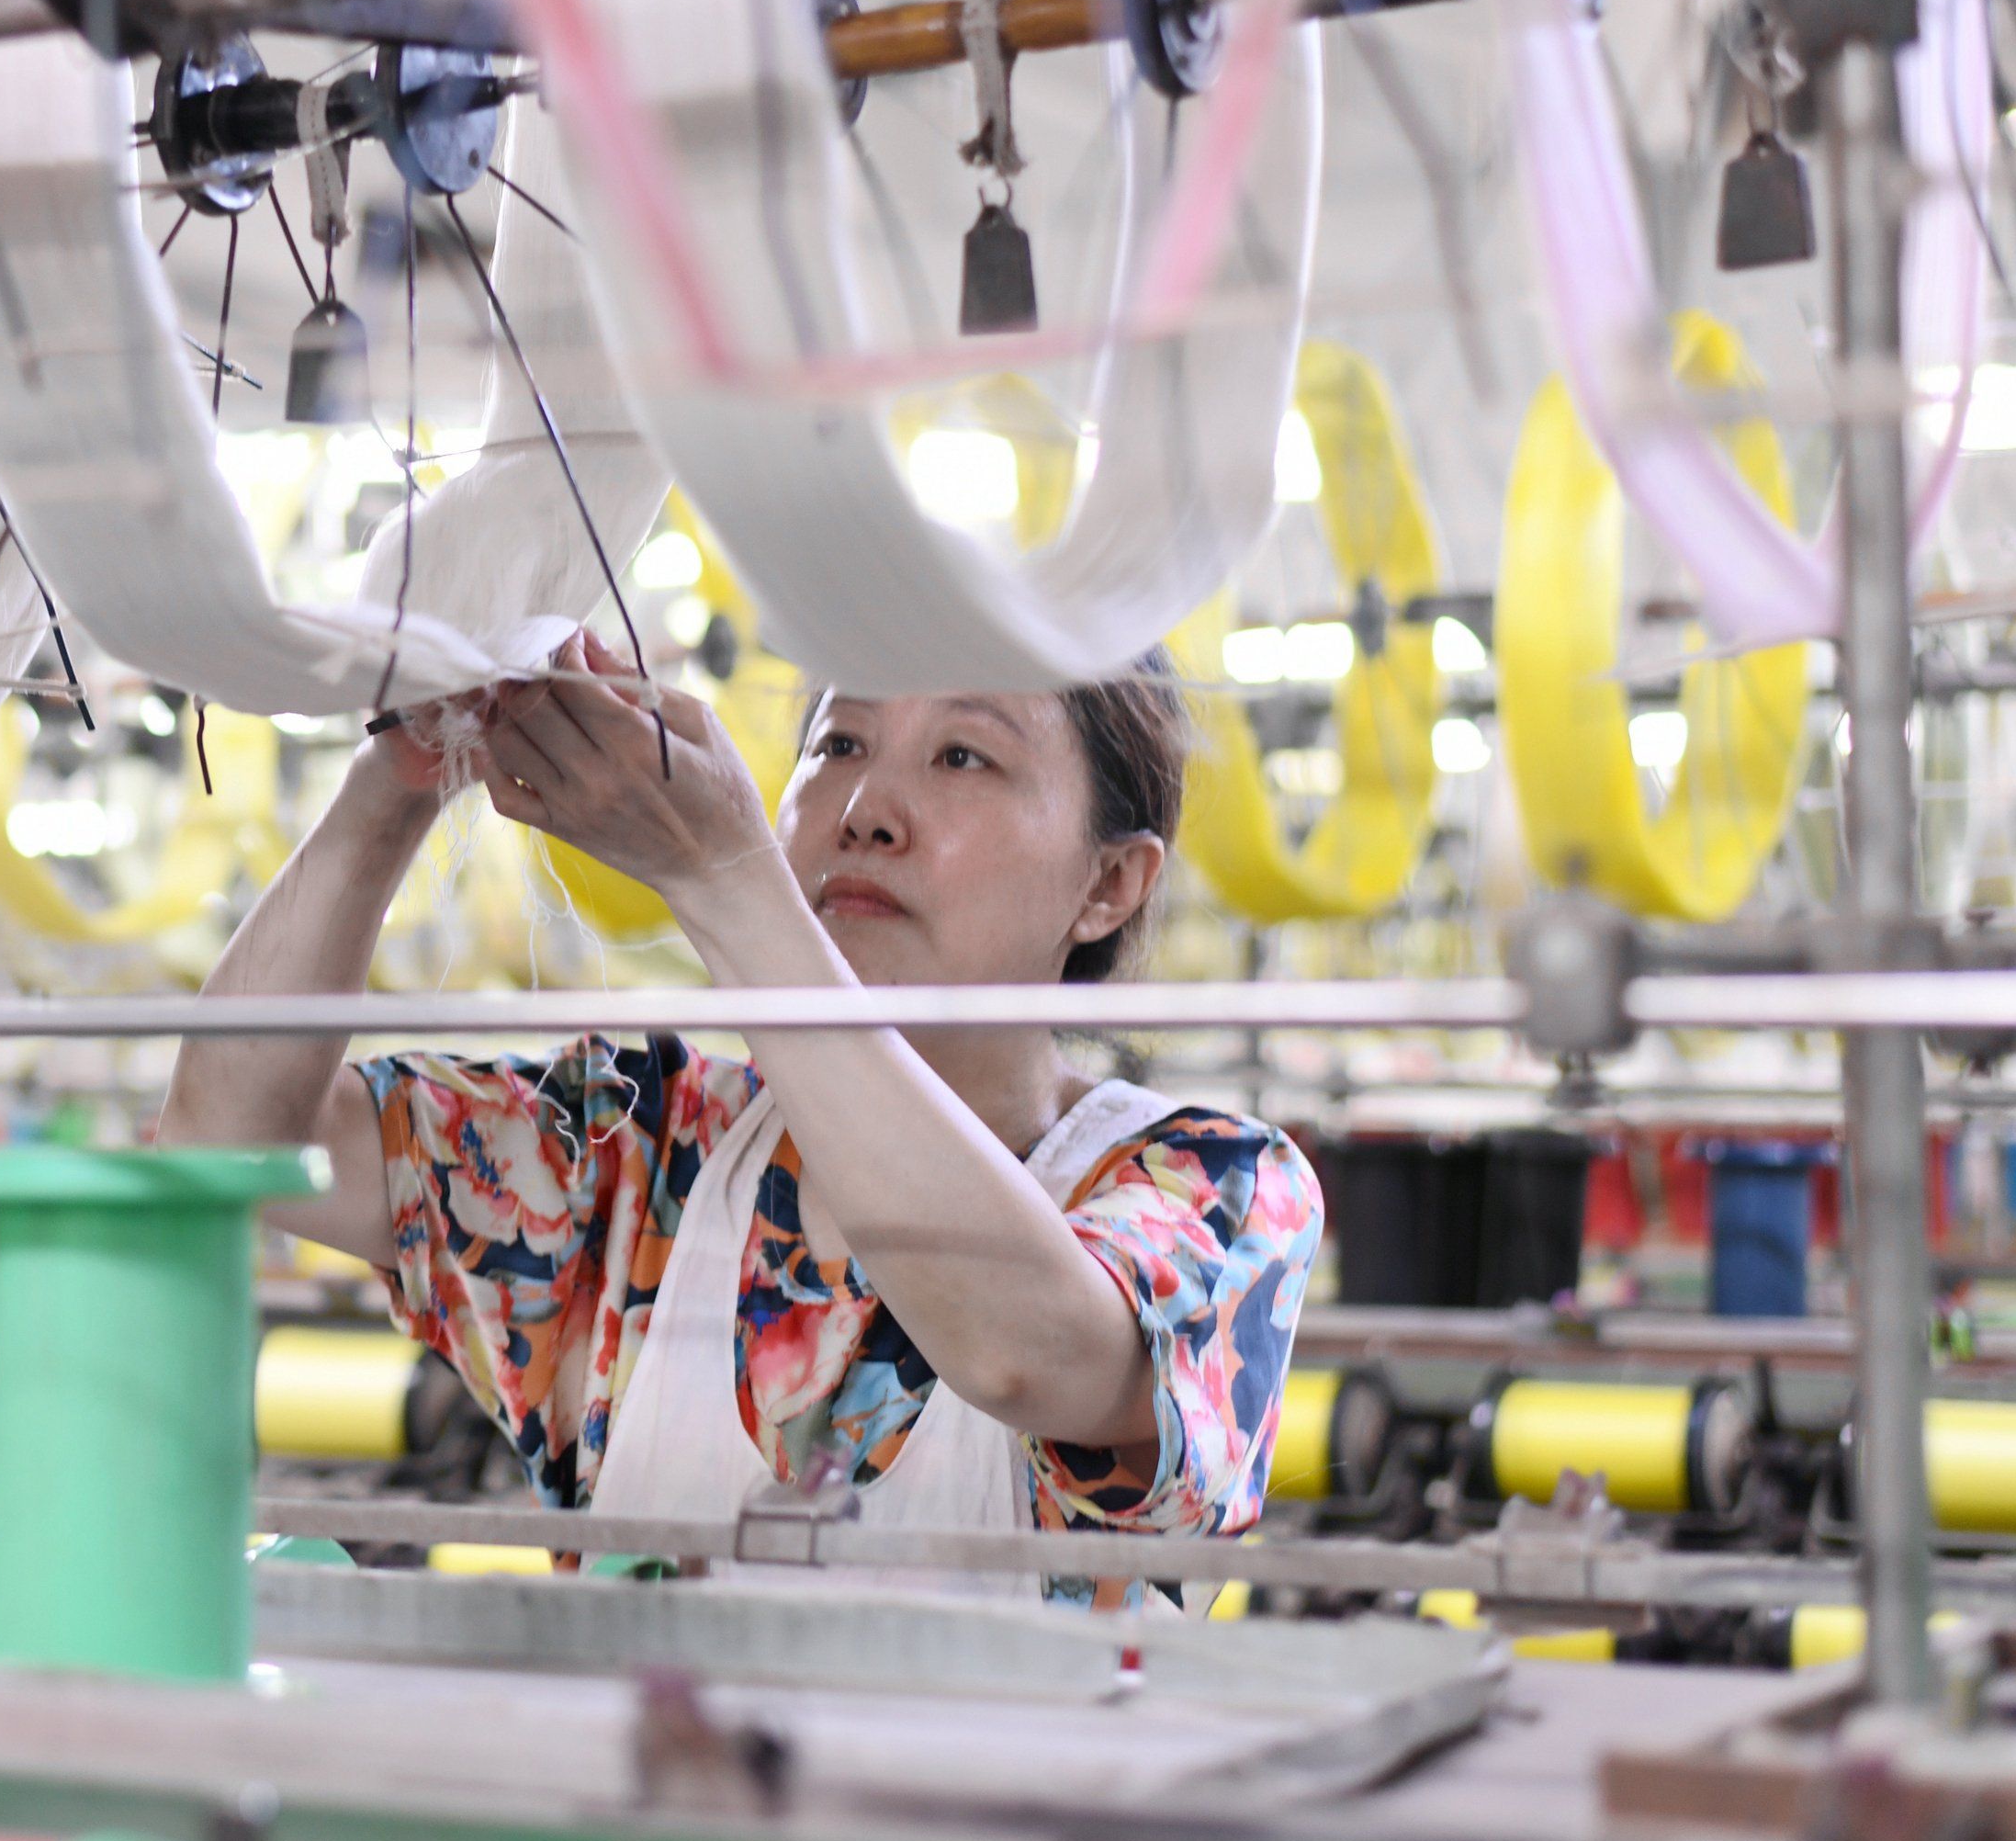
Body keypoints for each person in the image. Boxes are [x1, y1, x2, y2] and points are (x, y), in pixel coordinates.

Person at [159, 634, 1323, 1606]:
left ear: (1109, 885)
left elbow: (1025, 1356)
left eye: (963, 756)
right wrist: (404, 767)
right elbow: (231, 1148)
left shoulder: (1210, 1190)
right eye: (840, 744)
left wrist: (725, 880)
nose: (867, 810)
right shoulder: (641, 1148)